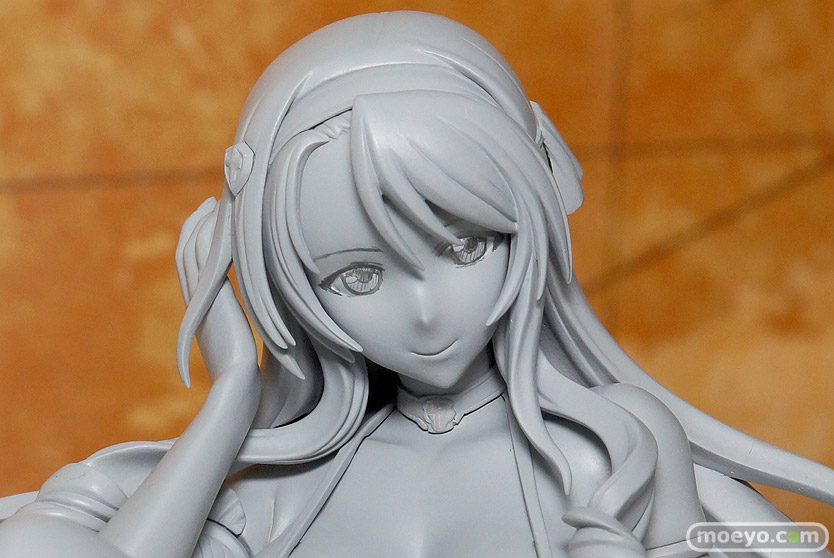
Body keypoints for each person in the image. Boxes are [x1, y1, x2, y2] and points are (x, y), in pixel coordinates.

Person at [0, 11, 831, 558]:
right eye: (357, 276)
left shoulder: (613, 447)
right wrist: (230, 401)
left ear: (535, 214)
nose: (427, 312)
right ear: (285, 283)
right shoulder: (266, 484)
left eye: (467, 248)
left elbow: (787, 545)